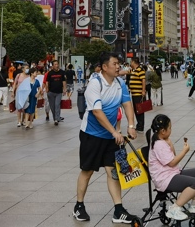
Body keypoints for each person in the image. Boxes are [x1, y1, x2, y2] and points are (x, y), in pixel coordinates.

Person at [73, 52, 137, 223]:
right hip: (91, 135)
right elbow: (97, 112)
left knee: (113, 172)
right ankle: (79, 206)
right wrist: (115, 132)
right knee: (87, 171)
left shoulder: (120, 83)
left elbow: (127, 104)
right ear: (104, 67)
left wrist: (131, 125)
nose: (118, 66)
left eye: (118, 64)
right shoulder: (95, 84)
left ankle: (118, 210)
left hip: (110, 138)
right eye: (114, 64)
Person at [147, 113, 195, 220]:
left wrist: (170, 144)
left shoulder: (162, 140)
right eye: (170, 128)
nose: (171, 130)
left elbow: (172, 157)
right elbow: (172, 162)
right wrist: (184, 151)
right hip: (165, 179)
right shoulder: (159, 144)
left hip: (173, 173)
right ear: (163, 131)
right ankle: (174, 209)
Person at [44, 60, 66, 125]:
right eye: (55, 64)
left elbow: (64, 81)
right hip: (51, 92)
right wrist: (47, 89)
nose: (56, 65)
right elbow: (47, 82)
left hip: (59, 92)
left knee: (57, 105)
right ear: (53, 66)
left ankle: (57, 118)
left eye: (57, 64)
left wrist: (64, 89)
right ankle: (55, 118)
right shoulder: (50, 73)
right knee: (52, 106)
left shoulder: (62, 72)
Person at [128, 57, 146, 131]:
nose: (130, 63)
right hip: (134, 94)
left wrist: (143, 91)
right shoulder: (133, 70)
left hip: (139, 94)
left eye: (131, 61)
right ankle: (139, 125)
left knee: (140, 110)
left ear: (134, 62)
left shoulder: (140, 70)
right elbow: (125, 72)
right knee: (136, 110)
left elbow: (143, 80)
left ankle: (140, 127)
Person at [14, 63, 31, 127]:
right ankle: (19, 121)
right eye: (26, 68)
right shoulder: (18, 75)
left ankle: (23, 120)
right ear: (23, 69)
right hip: (19, 93)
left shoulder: (29, 76)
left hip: (26, 94)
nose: (27, 69)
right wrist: (13, 92)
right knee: (19, 107)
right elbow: (15, 83)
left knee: (25, 107)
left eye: (28, 68)